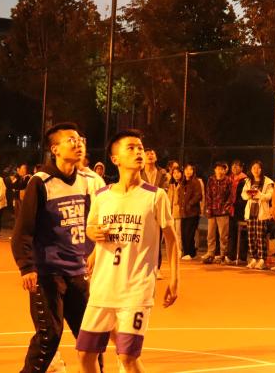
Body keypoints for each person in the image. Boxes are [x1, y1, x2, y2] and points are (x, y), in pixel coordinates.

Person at [76, 129, 179, 373]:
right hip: (102, 287)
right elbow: (91, 227)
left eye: (140, 148)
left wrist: (175, 278)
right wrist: (93, 237)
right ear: (115, 159)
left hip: (135, 289)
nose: (138, 152)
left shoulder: (156, 196)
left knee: (127, 357)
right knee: (84, 355)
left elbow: (172, 239)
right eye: (130, 148)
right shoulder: (102, 196)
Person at [11, 122, 98, 373]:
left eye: (80, 140)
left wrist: (93, 250)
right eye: (71, 140)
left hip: (77, 271)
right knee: (49, 335)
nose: (78, 144)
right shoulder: (41, 182)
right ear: (55, 149)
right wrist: (26, 266)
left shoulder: (88, 181)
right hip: (47, 273)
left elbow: (93, 221)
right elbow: (23, 230)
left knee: (90, 337)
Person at [242, 160, 273, 269]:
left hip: (261, 212)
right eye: (254, 168)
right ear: (251, 169)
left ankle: (262, 259)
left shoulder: (267, 182)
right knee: (251, 237)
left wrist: (260, 195)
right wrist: (248, 195)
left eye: (258, 168)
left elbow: (269, 196)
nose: (256, 170)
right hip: (250, 212)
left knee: (260, 237)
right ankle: (253, 258)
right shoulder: (248, 181)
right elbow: (243, 195)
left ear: (261, 169)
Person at [203, 161, 234, 265]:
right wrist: (208, 209)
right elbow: (208, 195)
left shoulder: (228, 180)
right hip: (212, 211)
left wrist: (226, 207)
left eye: (222, 169)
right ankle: (210, 253)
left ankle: (223, 255)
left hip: (223, 212)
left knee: (223, 236)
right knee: (210, 235)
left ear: (225, 170)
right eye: (218, 169)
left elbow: (231, 196)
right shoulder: (211, 180)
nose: (219, 171)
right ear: (215, 170)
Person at [178, 164, 203, 260]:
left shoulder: (196, 182)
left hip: (192, 212)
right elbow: (180, 196)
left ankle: (190, 253)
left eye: (190, 169)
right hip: (183, 212)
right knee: (183, 233)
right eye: (186, 169)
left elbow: (199, 195)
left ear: (193, 171)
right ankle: (186, 252)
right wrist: (181, 205)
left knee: (189, 233)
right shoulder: (182, 182)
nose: (188, 171)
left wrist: (190, 204)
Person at [228, 160, 248, 264]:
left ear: (241, 168)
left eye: (237, 166)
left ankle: (242, 257)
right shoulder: (230, 179)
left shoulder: (245, 180)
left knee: (242, 235)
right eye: (233, 166)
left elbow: (244, 197)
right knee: (231, 234)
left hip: (240, 210)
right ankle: (231, 256)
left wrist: (236, 204)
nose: (234, 168)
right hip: (231, 210)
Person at [166, 165, 185, 259]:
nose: (176, 175)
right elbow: (168, 198)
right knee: (172, 233)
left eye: (178, 173)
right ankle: (173, 250)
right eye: (174, 173)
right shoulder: (171, 185)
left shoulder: (183, 184)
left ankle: (179, 250)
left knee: (178, 233)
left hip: (179, 212)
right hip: (171, 212)